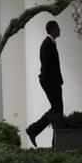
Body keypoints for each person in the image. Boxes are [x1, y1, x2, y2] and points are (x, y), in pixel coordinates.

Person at [26, 20, 64, 148]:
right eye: (58, 28)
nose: (60, 30)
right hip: (50, 82)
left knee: (57, 111)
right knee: (57, 109)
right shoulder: (47, 44)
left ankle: (55, 142)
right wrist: (54, 83)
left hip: (52, 81)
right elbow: (47, 66)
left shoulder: (50, 43)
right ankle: (34, 130)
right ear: (53, 30)